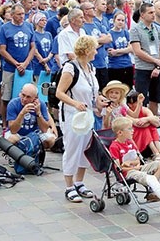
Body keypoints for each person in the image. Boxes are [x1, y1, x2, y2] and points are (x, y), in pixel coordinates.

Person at [55, 35, 108, 203]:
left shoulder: (90, 68)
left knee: (86, 147)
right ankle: (69, 186)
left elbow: (93, 93)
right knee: (72, 148)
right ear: (86, 50)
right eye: (94, 48)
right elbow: (59, 92)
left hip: (87, 114)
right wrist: (75, 103)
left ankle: (79, 182)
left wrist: (100, 101)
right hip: (72, 114)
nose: (96, 51)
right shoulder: (71, 68)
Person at [109, 116, 160, 212]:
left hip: (137, 168)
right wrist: (132, 167)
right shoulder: (114, 146)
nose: (133, 130)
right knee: (151, 178)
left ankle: (152, 191)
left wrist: (132, 163)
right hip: (128, 173)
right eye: (130, 129)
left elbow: (137, 159)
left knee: (159, 164)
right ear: (120, 132)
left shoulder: (130, 143)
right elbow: (119, 168)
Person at [130, 3, 160, 116]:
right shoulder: (135, 30)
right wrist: (156, 61)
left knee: (155, 99)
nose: (153, 15)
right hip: (143, 69)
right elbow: (137, 51)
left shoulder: (158, 29)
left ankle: (153, 123)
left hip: (157, 69)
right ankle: (142, 122)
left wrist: (158, 66)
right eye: (150, 12)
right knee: (141, 99)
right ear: (142, 14)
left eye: (154, 12)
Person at [0, 4, 36, 109]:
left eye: (23, 14)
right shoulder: (5, 28)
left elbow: (33, 47)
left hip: (27, 67)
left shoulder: (29, 26)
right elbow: (2, 50)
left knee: (28, 97)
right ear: (12, 15)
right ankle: (5, 123)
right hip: (10, 68)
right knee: (7, 98)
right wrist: (16, 64)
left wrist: (25, 63)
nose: (22, 16)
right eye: (19, 14)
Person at [5, 83, 57, 149]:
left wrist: (38, 113)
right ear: (20, 93)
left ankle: (35, 149)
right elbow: (13, 130)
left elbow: (44, 129)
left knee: (51, 140)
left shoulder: (41, 104)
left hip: (35, 134)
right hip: (18, 134)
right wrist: (22, 113)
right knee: (12, 139)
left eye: (28, 97)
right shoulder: (13, 103)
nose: (24, 99)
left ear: (35, 98)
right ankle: (22, 151)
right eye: (23, 95)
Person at [106, 12, 133, 89]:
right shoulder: (109, 34)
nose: (120, 22)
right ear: (114, 20)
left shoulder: (125, 33)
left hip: (127, 65)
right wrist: (126, 50)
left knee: (128, 90)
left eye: (122, 20)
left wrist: (117, 51)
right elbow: (111, 53)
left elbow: (131, 49)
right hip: (115, 66)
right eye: (118, 20)